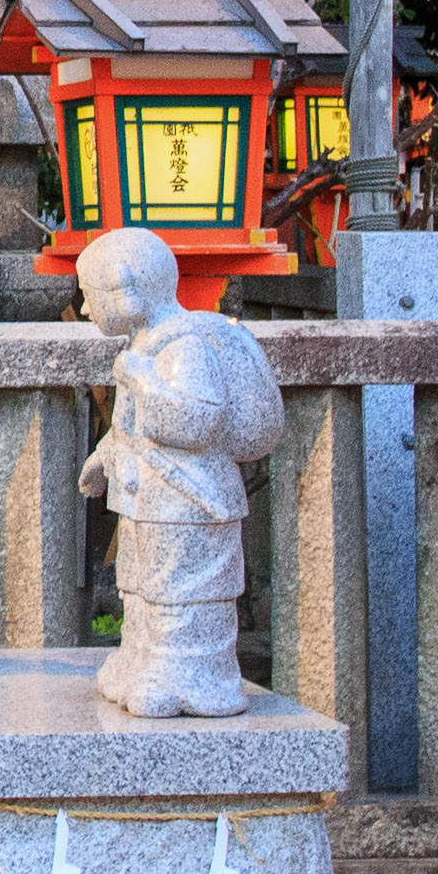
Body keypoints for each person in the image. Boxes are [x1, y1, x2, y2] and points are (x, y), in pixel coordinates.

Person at [75, 225, 284, 717]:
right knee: (142, 589)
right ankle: (142, 661)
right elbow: (130, 430)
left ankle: (192, 677)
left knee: (184, 596)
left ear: (126, 289)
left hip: (189, 501)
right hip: (148, 501)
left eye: (90, 296)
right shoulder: (145, 344)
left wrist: (145, 384)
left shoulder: (183, 346)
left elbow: (199, 420)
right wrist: (104, 455)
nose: (85, 310)